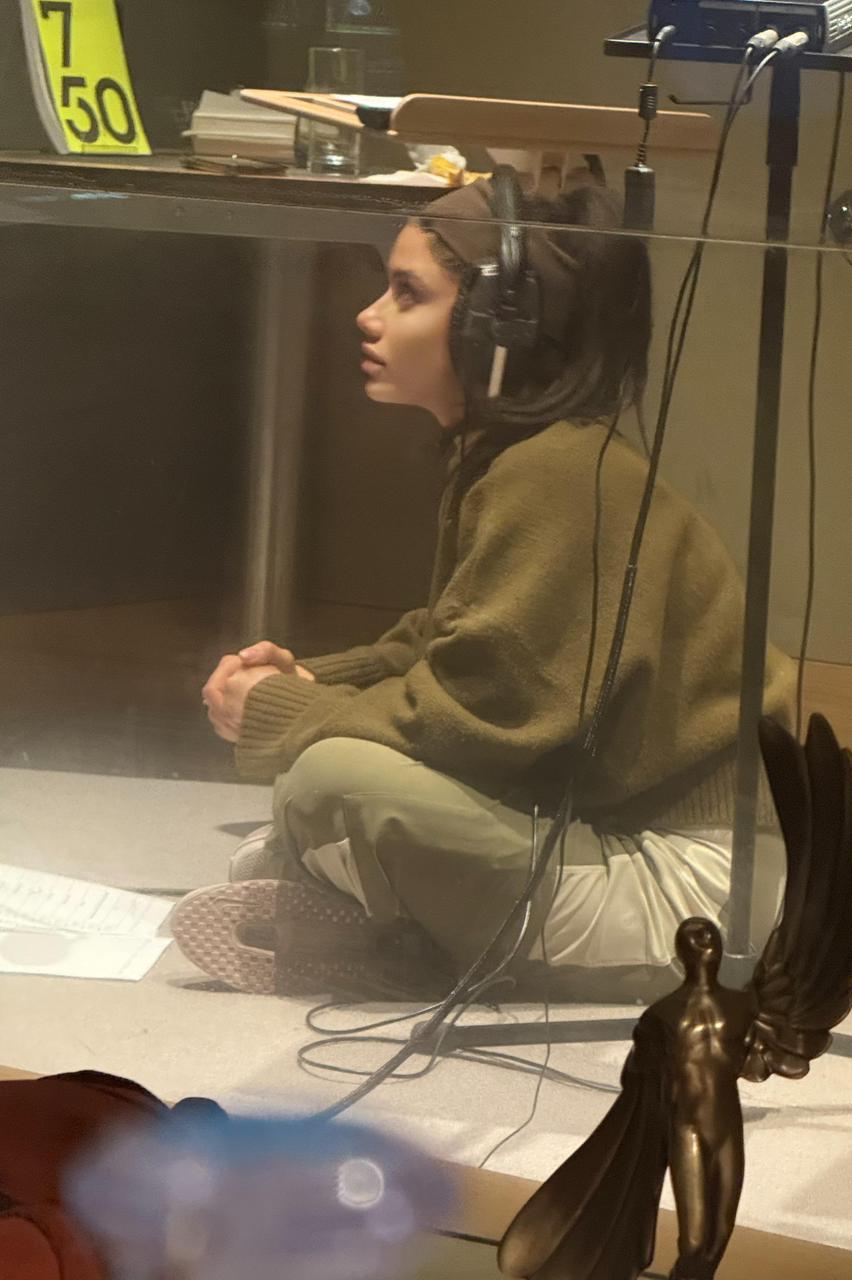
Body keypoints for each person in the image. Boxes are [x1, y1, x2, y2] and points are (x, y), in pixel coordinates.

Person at [171, 173, 795, 1004]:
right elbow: (443, 638)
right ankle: (398, 917)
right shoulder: (525, 459)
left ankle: (413, 942)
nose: (369, 315)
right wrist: (312, 678)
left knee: (329, 782)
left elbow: (477, 723)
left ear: (501, 323)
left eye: (407, 293)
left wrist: (283, 711)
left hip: (704, 895)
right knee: (314, 803)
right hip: (633, 840)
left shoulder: (557, 476)